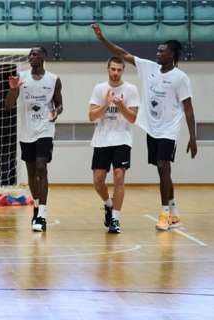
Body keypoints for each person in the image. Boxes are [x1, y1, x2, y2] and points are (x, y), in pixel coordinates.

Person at [92, 24, 198, 231]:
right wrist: (102, 38)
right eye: (157, 50)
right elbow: (121, 53)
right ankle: (174, 212)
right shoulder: (148, 67)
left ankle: (165, 214)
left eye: (162, 50)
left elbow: (188, 108)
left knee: (163, 167)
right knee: (163, 170)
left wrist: (193, 137)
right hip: (152, 129)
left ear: (172, 55)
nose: (157, 53)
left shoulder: (180, 78)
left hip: (169, 130)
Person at [4, 46, 63, 232]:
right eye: (30, 54)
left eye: (35, 54)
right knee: (31, 172)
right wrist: (13, 90)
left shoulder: (54, 79)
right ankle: (36, 206)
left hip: (45, 129)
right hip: (26, 131)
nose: (31, 56)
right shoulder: (21, 77)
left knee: (41, 166)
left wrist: (56, 112)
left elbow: (59, 103)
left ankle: (42, 215)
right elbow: (8, 105)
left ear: (44, 57)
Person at [88, 57, 140, 233]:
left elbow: (132, 118)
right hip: (102, 139)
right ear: (108, 69)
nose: (116, 73)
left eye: (119, 70)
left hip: (122, 139)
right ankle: (108, 205)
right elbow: (91, 116)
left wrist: (121, 105)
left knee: (119, 176)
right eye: (113, 69)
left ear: (123, 70)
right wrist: (106, 104)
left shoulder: (131, 89)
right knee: (98, 181)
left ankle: (115, 219)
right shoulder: (99, 88)